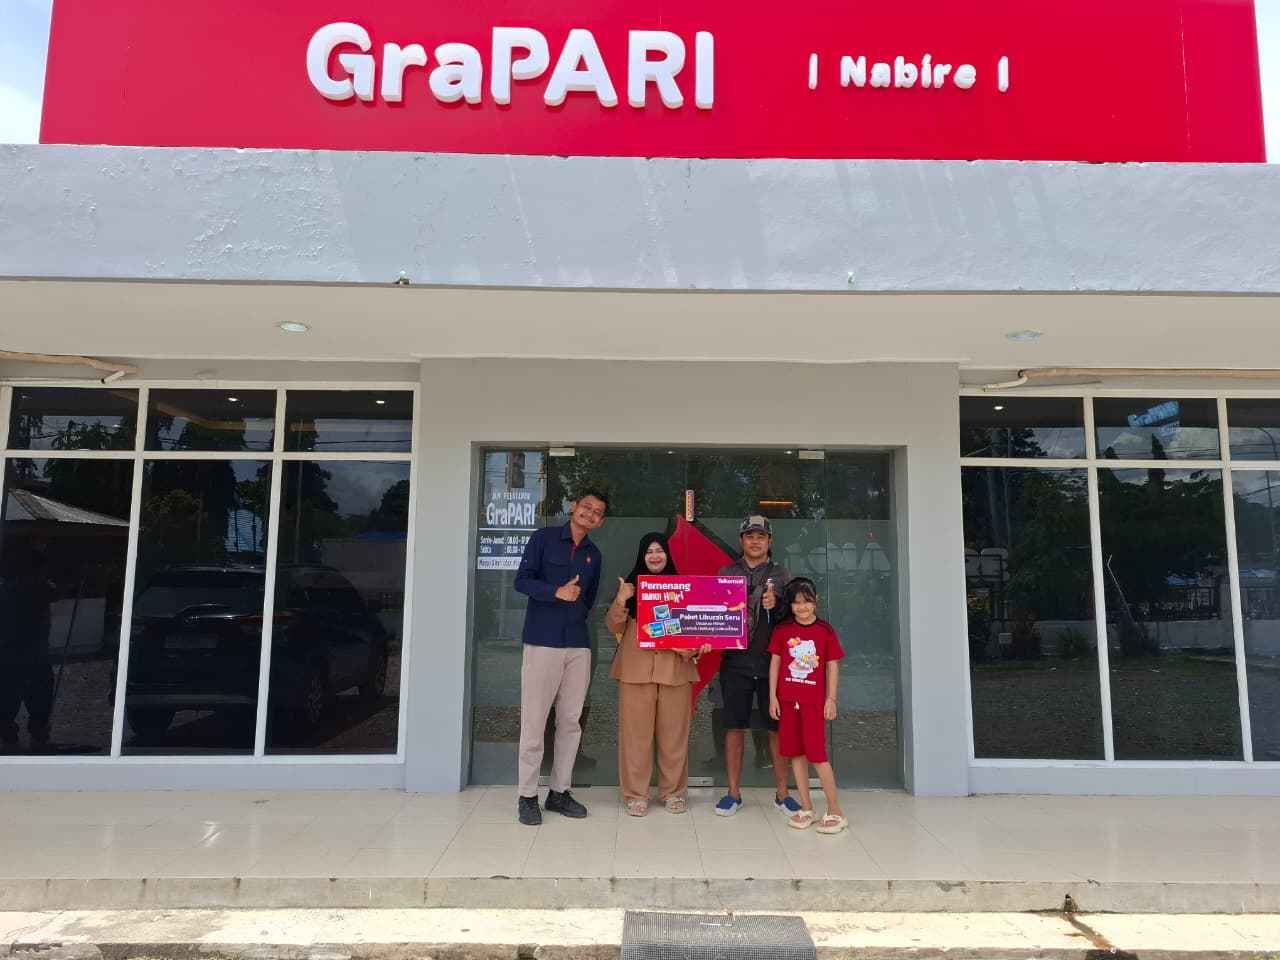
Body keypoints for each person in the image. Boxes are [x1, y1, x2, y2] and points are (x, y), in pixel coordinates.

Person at [513, 490, 608, 826]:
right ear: (573, 507)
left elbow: (589, 599)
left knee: (570, 721)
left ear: (601, 521)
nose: (590, 514)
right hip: (542, 641)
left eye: (597, 512)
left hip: (578, 645)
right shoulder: (543, 538)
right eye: (586, 507)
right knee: (534, 721)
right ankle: (527, 796)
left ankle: (559, 792)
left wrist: (574, 605)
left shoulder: (594, 554)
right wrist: (556, 592)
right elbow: (521, 582)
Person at [605, 533, 711, 817]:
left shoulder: (684, 589)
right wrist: (621, 599)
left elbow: (696, 630)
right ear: (642, 556)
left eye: (660, 551)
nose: (654, 556)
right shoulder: (630, 588)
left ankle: (673, 793)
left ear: (668, 555)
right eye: (649, 551)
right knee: (635, 738)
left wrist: (697, 648)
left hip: (676, 671)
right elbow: (613, 626)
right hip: (635, 671)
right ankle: (635, 795)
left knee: (674, 737)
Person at [714, 515, 801, 818]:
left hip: (772, 663)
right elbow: (714, 613)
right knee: (734, 727)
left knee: (776, 729)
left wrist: (777, 605)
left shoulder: (783, 574)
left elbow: (797, 616)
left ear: (769, 541)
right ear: (741, 540)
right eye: (750, 536)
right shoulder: (726, 572)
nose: (755, 541)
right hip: (735, 661)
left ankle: (783, 794)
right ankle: (733, 793)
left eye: (761, 536)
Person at [768, 577, 848, 834]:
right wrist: (773, 697)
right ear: (790, 605)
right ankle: (806, 807)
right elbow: (775, 664)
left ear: (816, 602)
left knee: (817, 755)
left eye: (807, 601)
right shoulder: (782, 631)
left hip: (813, 703)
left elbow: (832, 666)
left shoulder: (825, 631)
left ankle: (835, 810)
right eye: (796, 603)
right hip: (787, 701)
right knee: (795, 754)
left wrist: (831, 699)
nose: (802, 607)